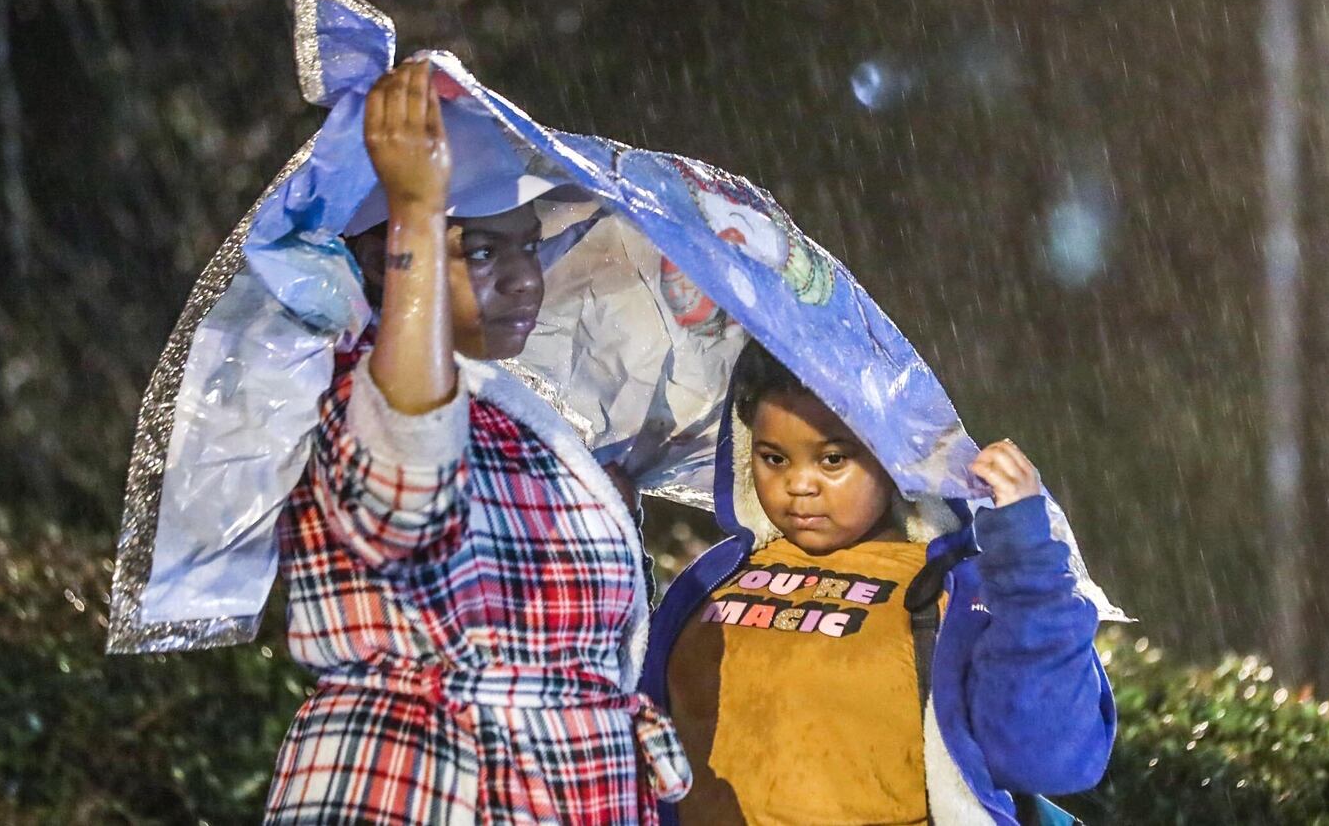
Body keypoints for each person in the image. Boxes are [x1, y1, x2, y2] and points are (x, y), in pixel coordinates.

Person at [263, 60, 689, 824]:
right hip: (433, 786)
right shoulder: (356, 397)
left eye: (528, 247)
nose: (527, 279)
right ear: (381, 258)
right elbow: (409, 478)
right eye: (484, 252)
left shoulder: (526, 418)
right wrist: (419, 211)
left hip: (563, 788)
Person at [639, 340, 1113, 825]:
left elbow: (1047, 755)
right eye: (775, 458)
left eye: (832, 459)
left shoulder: (949, 590)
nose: (800, 484)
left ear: (891, 454)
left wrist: (1027, 560)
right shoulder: (709, 582)